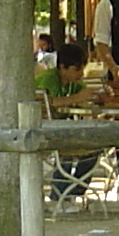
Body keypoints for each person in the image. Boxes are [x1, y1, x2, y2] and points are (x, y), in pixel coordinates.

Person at [34, 42, 101, 209]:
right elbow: (42, 104)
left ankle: (72, 193)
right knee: (67, 148)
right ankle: (59, 196)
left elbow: (83, 96)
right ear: (62, 67)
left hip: (61, 128)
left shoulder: (73, 82)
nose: (81, 73)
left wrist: (99, 96)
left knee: (95, 148)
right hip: (40, 130)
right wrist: (76, 98)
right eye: (77, 69)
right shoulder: (47, 79)